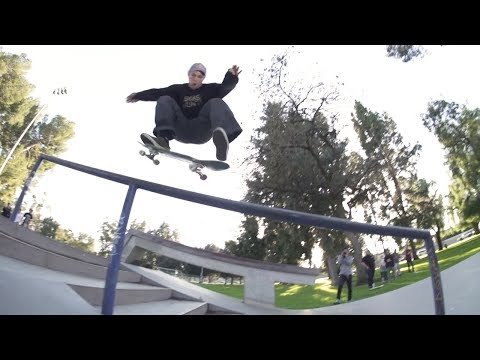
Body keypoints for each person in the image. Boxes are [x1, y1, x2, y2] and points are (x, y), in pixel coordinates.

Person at [126, 63, 243, 162]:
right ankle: (163, 140)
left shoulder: (211, 89)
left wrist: (231, 77)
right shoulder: (177, 89)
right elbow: (156, 92)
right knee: (164, 98)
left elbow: (225, 87)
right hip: (180, 129)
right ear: (189, 75)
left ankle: (223, 141)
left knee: (216, 102)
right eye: (193, 75)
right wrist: (138, 95)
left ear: (203, 78)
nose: (196, 78)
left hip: (201, 130)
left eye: (199, 76)